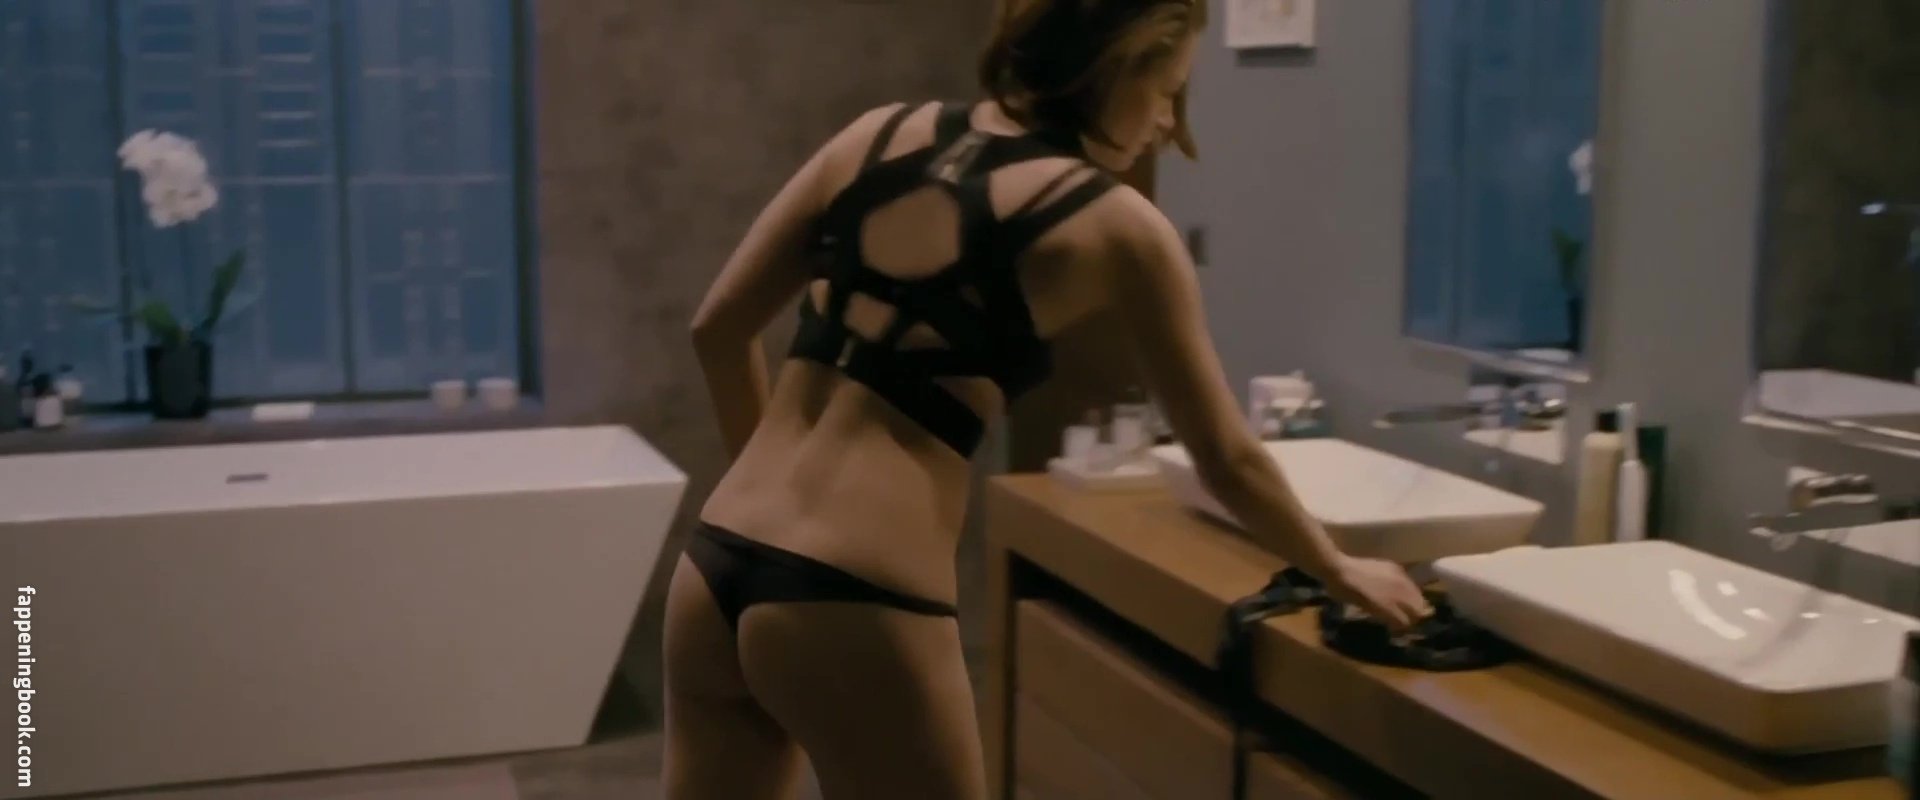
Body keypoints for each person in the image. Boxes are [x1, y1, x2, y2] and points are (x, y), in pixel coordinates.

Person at [667, 1, 1429, 797]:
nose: (1168, 122)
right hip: (855, 600)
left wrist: (770, 522)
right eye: (1167, 89)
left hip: (716, 567)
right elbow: (1227, 459)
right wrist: (1337, 568)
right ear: (1114, 68)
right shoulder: (1122, 228)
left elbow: (716, 330)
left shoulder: (877, 133)